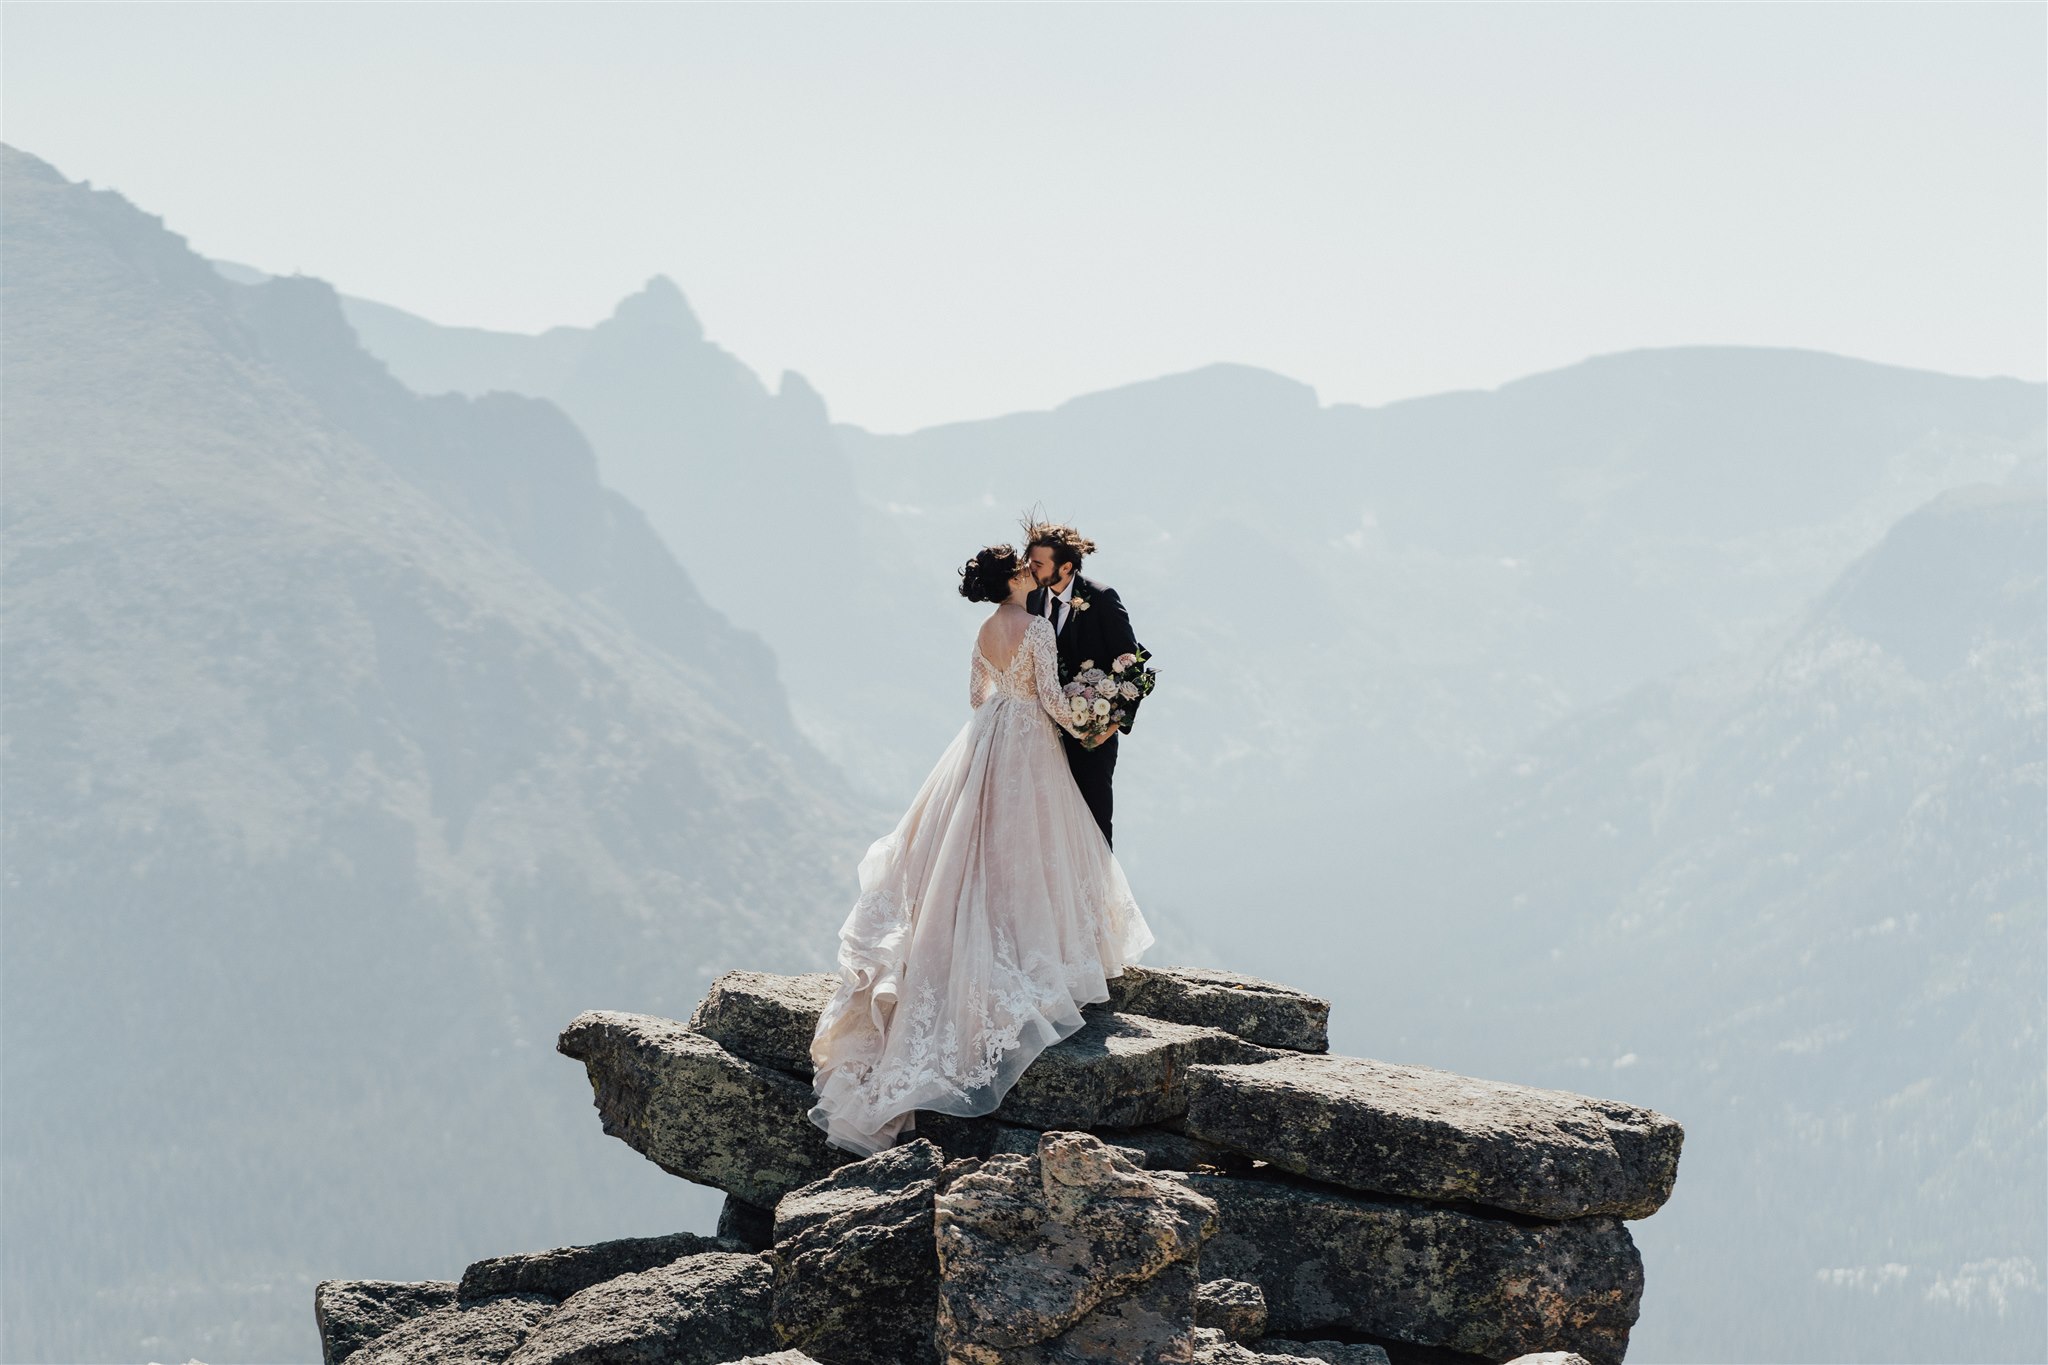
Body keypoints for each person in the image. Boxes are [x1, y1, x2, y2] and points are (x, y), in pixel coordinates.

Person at [806, 543, 1155, 1157]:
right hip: (1029, 742)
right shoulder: (1038, 628)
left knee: (967, 846)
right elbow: (1049, 696)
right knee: (1027, 849)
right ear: (1017, 578)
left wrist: (1004, 713)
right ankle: (1026, 940)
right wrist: (1086, 720)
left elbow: (977, 694)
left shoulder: (987, 627)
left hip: (986, 734)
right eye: (1025, 568)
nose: (1031, 571)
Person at [1022, 522, 1144, 847]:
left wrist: (1111, 725)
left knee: (1092, 830)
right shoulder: (1031, 599)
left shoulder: (1102, 599)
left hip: (1092, 740)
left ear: (1066, 566)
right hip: (1042, 736)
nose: (1029, 568)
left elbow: (1136, 669)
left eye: (1038, 563)